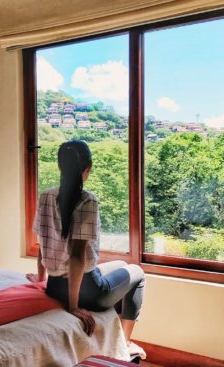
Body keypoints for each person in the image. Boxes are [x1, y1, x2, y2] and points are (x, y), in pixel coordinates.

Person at [27, 140, 146, 360]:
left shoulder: (46, 195)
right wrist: (74, 307)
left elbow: (43, 238)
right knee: (137, 273)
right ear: (87, 170)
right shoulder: (87, 201)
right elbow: (76, 255)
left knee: (121, 266)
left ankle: (118, 337)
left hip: (54, 286)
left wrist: (41, 278)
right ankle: (125, 344)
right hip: (87, 291)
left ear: (60, 166)